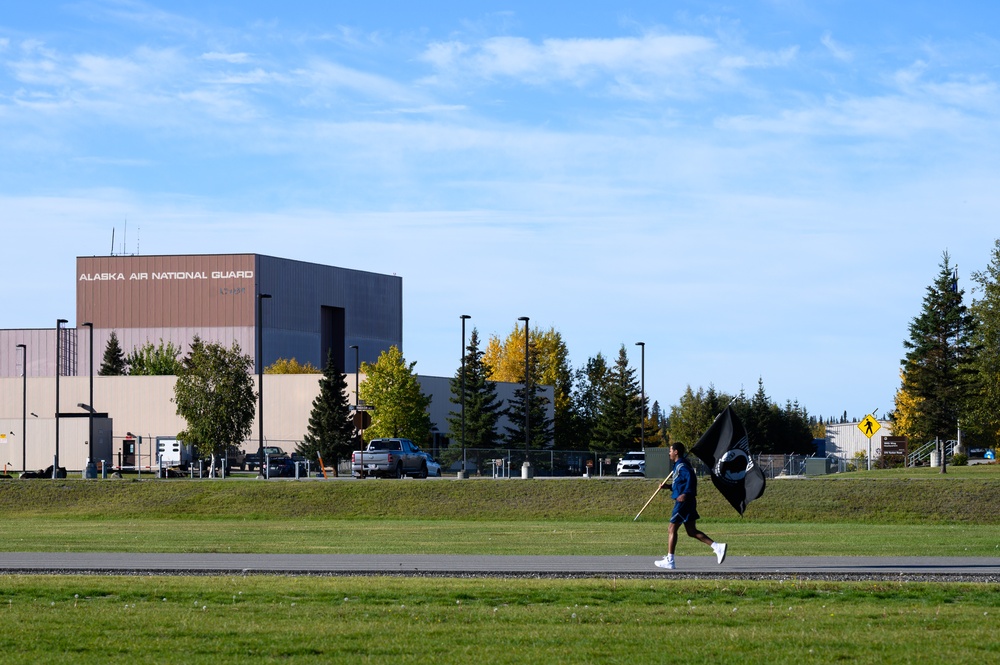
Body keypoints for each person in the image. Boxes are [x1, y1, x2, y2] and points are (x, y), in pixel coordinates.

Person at [654, 442, 726, 569]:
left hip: (684, 501)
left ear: (676, 452)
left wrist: (685, 494)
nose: (669, 453)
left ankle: (670, 560)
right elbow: (680, 483)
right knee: (691, 531)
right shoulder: (678, 465)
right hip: (687, 500)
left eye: (670, 450)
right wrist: (668, 487)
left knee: (672, 528)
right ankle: (717, 547)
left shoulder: (682, 465)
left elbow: (692, 478)